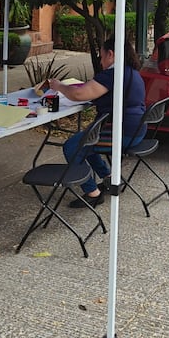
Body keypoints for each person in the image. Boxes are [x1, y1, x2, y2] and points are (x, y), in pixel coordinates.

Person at [49, 35, 146, 208]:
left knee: (72, 147)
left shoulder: (113, 74)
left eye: (102, 57)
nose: (101, 62)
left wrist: (59, 86)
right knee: (86, 140)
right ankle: (109, 178)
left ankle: (92, 192)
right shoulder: (132, 72)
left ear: (111, 54)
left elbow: (78, 95)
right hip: (137, 129)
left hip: (122, 133)